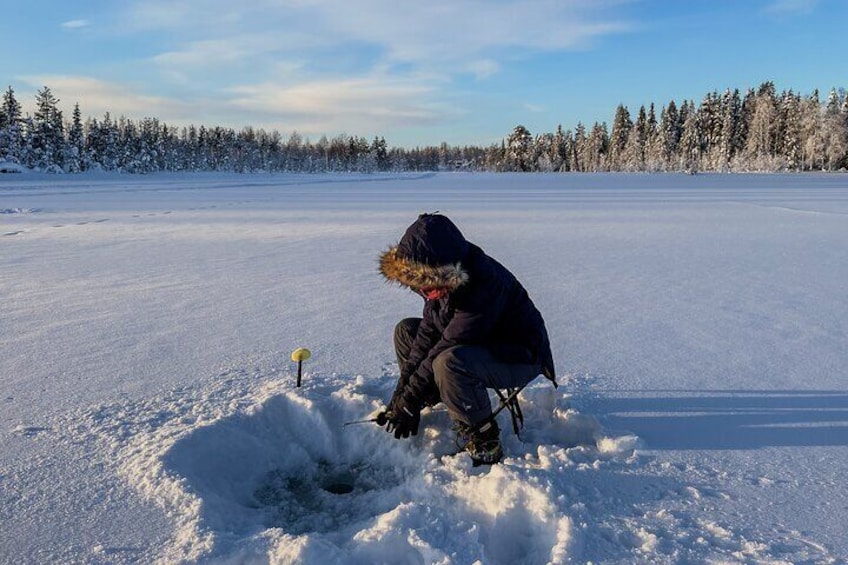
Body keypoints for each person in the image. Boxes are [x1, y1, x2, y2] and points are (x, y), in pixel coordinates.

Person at [377, 213, 556, 465]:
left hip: (519, 355)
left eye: (430, 286)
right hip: (481, 345)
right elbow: (428, 335)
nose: (427, 294)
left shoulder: (483, 285)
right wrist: (402, 398)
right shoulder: (444, 282)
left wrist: (410, 398)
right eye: (422, 287)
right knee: (406, 331)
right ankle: (438, 393)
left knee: (448, 361)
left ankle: (485, 441)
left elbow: (446, 344)